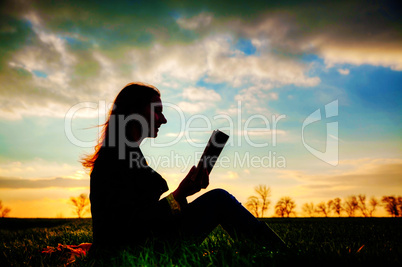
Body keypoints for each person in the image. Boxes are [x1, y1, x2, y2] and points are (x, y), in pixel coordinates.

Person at [83, 82, 287, 257]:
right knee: (219, 199)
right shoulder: (117, 157)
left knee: (218, 199)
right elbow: (132, 225)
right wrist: (179, 195)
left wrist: (183, 194)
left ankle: (273, 249)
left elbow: (144, 217)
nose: (163, 119)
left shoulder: (125, 153)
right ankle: (279, 252)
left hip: (139, 243)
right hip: (131, 249)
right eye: (157, 111)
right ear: (134, 111)